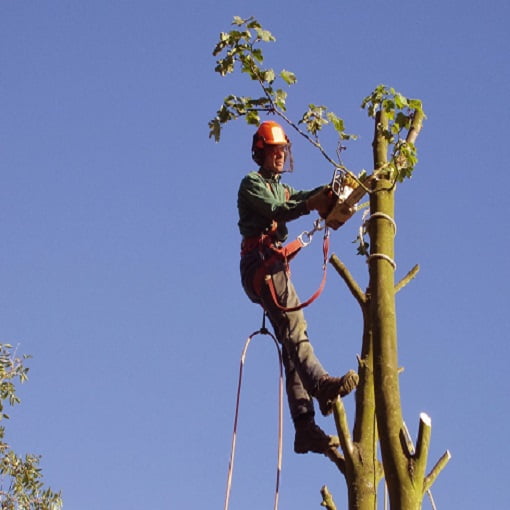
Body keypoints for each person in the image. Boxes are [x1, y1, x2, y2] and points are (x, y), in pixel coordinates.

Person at [237, 120, 359, 455]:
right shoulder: (252, 184)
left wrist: (328, 193)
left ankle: (304, 428)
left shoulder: (282, 187)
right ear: (262, 152)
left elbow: (299, 197)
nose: (280, 156)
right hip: (261, 264)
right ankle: (321, 385)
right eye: (274, 151)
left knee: (292, 347)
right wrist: (311, 205)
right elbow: (280, 209)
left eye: (282, 151)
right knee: (295, 327)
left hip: (273, 264)